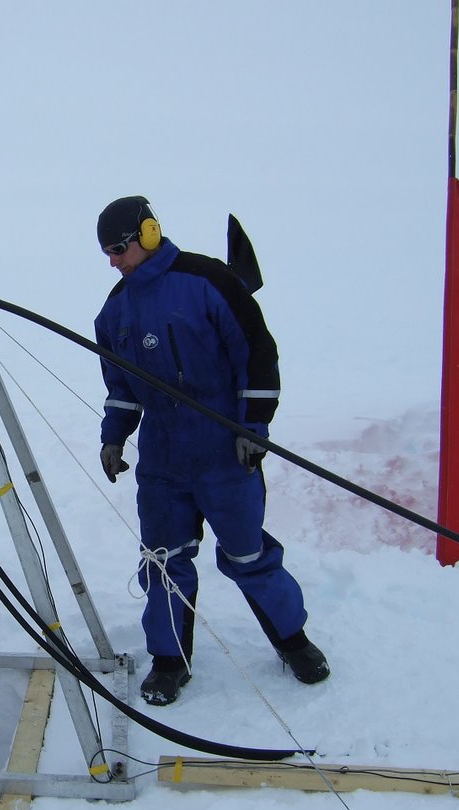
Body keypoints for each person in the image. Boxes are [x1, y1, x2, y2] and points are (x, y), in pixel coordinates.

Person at [93, 196, 328, 706]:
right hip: (162, 460)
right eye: (106, 252)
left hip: (225, 452)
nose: (112, 260)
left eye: (119, 248)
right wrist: (115, 435)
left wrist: (253, 427)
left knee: (248, 553)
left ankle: (294, 641)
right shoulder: (115, 310)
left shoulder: (210, 282)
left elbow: (257, 356)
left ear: (149, 233)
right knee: (163, 560)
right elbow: (121, 385)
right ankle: (170, 661)